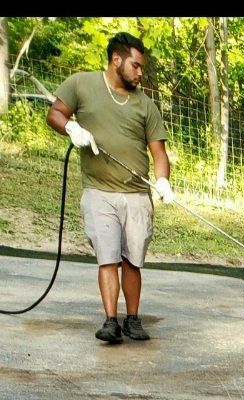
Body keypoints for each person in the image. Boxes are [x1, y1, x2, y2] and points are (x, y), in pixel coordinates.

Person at [46, 32, 174, 344]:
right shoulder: (82, 84)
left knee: (133, 260)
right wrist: (71, 128)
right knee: (108, 257)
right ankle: (110, 321)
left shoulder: (146, 105)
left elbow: (159, 154)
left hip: (135, 195)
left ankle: (132, 319)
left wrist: (163, 181)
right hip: (98, 191)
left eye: (141, 67)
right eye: (135, 65)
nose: (140, 72)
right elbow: (55, 114)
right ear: (116, 60)